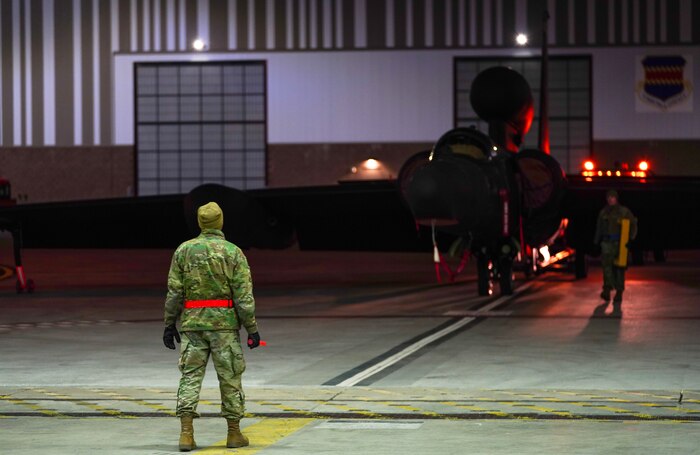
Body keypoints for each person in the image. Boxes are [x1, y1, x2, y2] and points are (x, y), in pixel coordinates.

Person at [163, 201, 261, 452]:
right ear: (220, 222)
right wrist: (251, 328)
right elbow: (243, 295)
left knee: (190, 377)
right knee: (230, 378)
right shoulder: (233, 252)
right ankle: (233, 433)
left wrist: (169, 324)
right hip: (224, 327)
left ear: (199, 223)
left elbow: (174, 291)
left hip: (192, 325)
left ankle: (186, 434)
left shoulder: (184, 251)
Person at [593, 189, 637, 312]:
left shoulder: (624, 211)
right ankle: (606, 290)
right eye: (608, 197)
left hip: (620, 243)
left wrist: (630, 239)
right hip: (606, 243)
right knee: (606, 267)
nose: (610, 199)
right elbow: (599, 228)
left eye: (612, 197)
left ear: (616, 198)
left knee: (619, 268)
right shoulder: (603, 213)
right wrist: (596, 242)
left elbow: (633, 224)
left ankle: (619, 292)